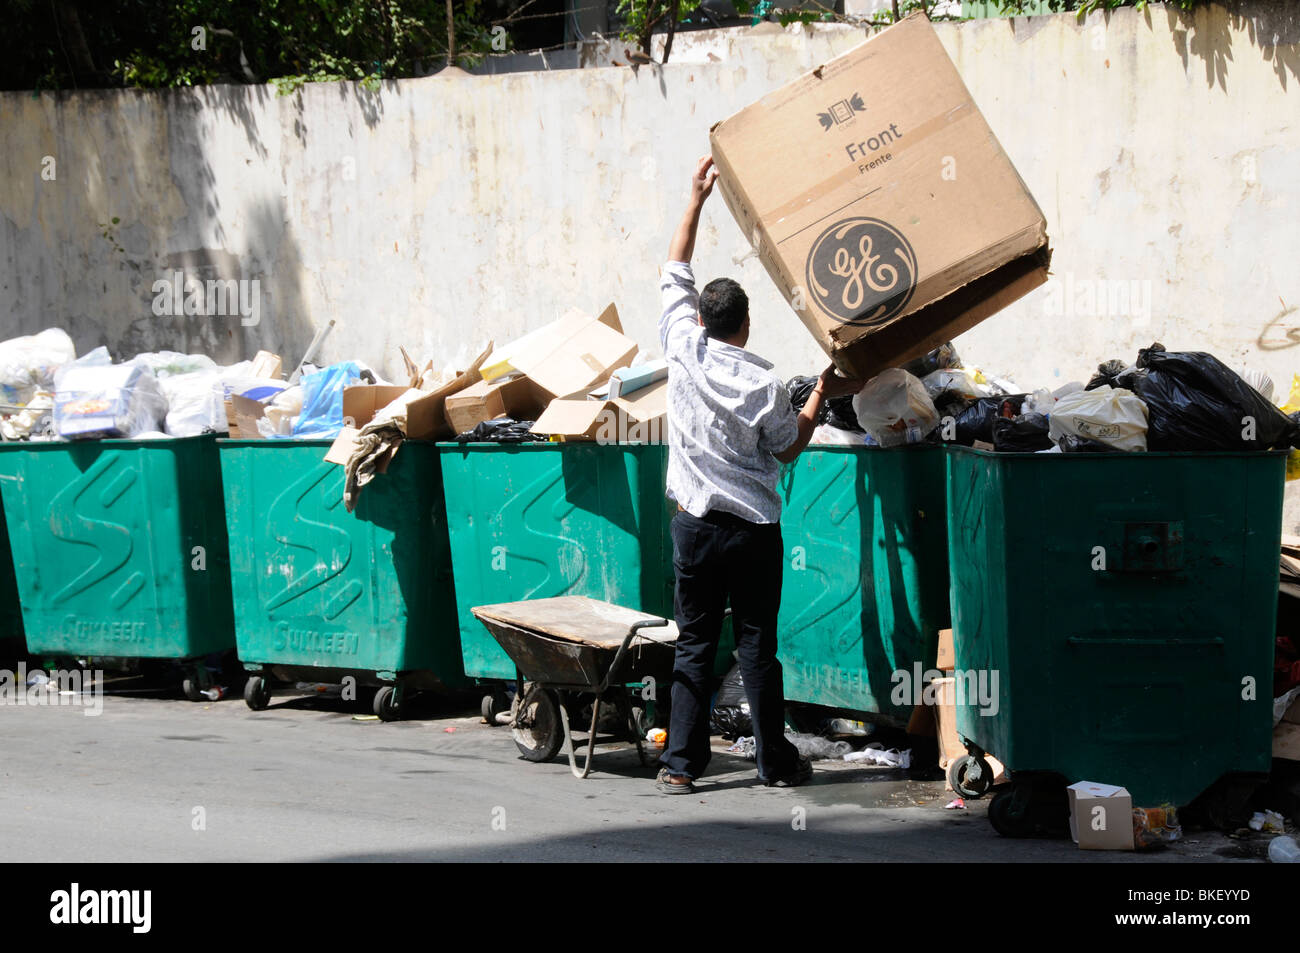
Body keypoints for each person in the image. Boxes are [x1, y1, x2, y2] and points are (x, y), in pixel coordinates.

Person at [656, 155, 865, 794]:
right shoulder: (765, 383)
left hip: (694, 526)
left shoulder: (680, 345)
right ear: (745, 326)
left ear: (700, 319)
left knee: (693, 644)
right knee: (755, 647)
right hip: (752, 533)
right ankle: (774, 764)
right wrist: (821, 390)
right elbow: (793, 446)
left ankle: (680, 768)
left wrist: (695, 199)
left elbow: (674, 269)